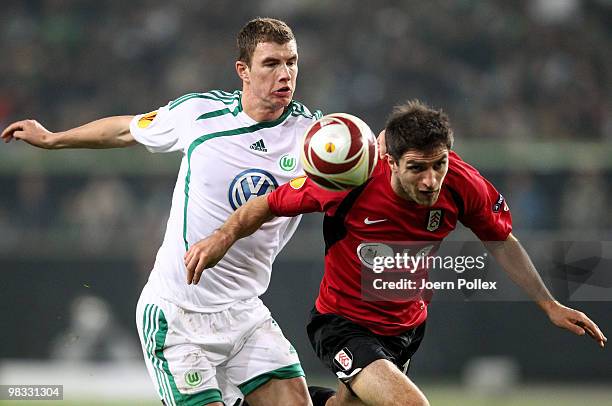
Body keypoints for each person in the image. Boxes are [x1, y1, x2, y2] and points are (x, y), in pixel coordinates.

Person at [183, 100, 607, 406]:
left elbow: (501, 242)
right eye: (417, 168)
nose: (430, 180)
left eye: (438, 164)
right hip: (342, 324)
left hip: (406, 329)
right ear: (389, 160)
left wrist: (548, 304)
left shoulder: (462, 184)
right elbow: (267, 203)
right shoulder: (351, 180)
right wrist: (221, 238)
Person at [2, 17, 323, 406]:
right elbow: (125, 130)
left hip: (245, 314)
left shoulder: (314, 136)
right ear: (243, 70)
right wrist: (54, 139)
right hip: (177, 315)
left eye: (291, 62)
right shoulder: (199, 115)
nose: (285, 74)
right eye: (271, 64)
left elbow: (363, 169)